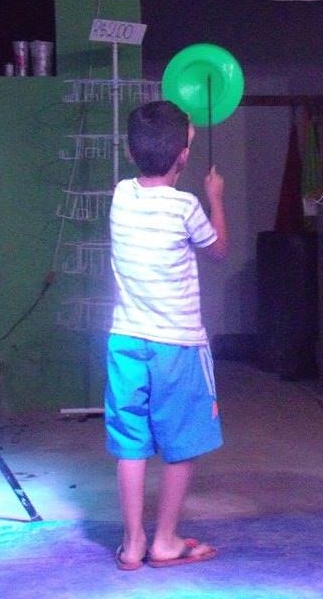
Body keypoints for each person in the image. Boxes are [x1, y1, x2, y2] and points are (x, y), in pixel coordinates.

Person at [106, 100, 228, 570]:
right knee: (180, 441)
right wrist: (215, 196)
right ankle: (164, 541)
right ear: (183, 155)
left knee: (130, 444)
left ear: (130, 152)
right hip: (177, 344)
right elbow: (218, 250)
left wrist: (182, 139)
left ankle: (132, 543)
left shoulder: (121, 195)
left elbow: (155, 160)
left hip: (125, 341)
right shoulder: (186, 207)